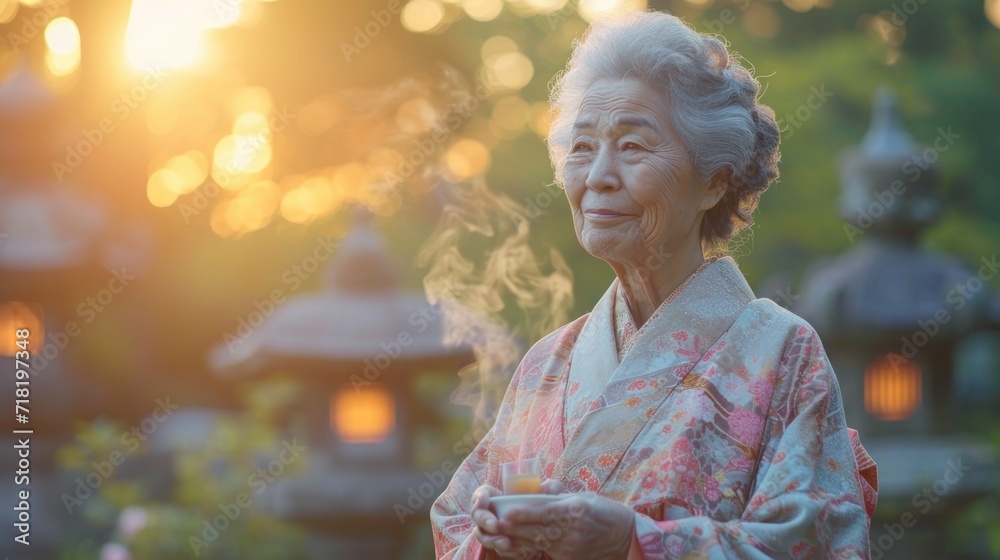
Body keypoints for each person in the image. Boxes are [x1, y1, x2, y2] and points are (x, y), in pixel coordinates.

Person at [431, 10, 878, 560]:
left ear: (713, 183)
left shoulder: (781, 353)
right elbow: (456, 520)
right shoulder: (546, 365)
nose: (598, 176)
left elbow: (814, 545)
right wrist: (493, 531)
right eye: (582, 147)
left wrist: (633, 541)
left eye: (632, 147)